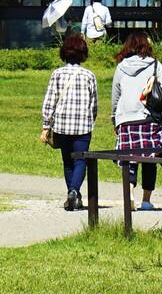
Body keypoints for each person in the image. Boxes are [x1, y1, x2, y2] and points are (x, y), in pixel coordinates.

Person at [110, 33, 162, 211]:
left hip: (125, 119)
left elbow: (115, 97)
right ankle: (146, 201)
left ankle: (129, 193)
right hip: (148, 118)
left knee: (129, 160)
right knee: (150, 159)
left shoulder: (121, 67)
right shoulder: (155, 64)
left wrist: (114, 120)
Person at [40, 34, 97, 211]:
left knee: (67, 161)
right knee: (81, 160)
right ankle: (74, 192)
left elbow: (50, 101)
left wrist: (45, 126)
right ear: (82, 53)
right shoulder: (89, 75)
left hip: (62, 126)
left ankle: (73, 194)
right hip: (82, 126)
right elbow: (94, 103)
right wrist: (91, 118)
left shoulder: (57, 74)